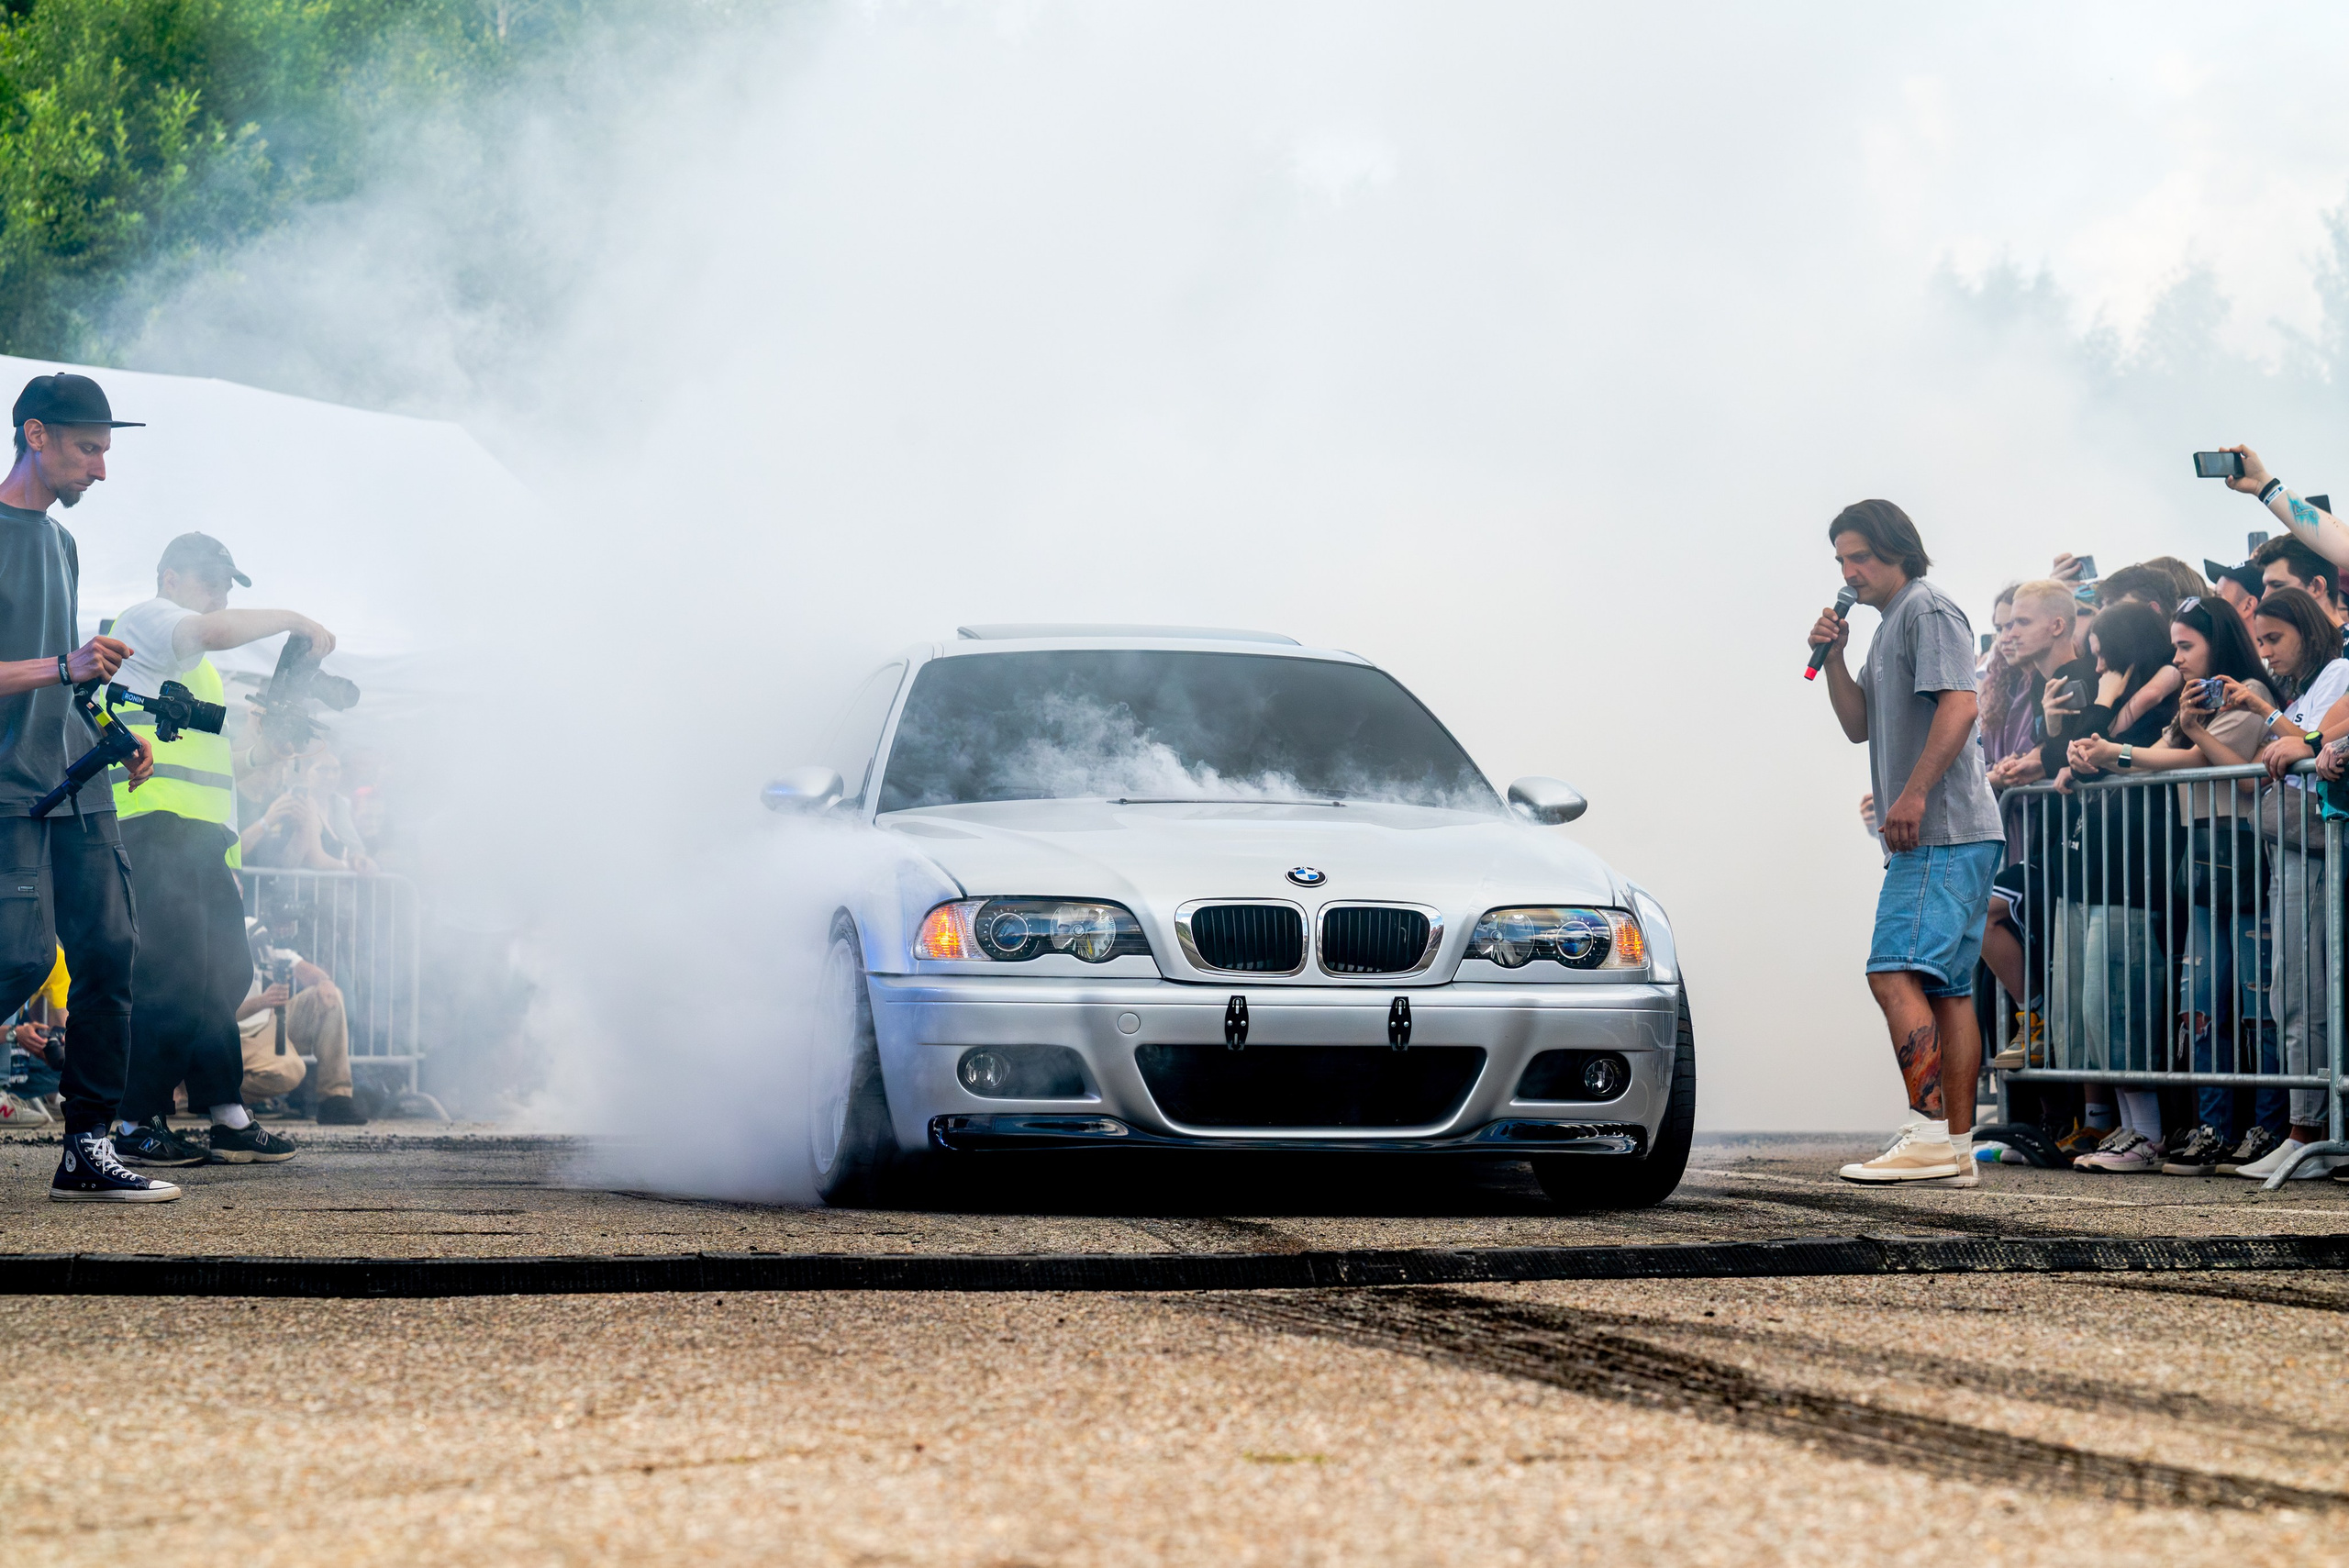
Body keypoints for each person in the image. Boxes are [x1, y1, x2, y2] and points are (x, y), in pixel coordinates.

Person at [106, 533, 335, 1163]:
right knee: (175, 977)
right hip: (153, 825)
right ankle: (132, 1122)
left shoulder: (198, 671)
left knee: (226, 972)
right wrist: (293, 619)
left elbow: (222, 758)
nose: (222, 595)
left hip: (200, 841)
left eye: (228, 585)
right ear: (171, 578)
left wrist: (267, 752)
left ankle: (227, 1111)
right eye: (212, 581)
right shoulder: (148, 621)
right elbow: (212, 629)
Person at [0, 373, 171, 1202]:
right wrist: (62, 666)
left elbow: (62, 674)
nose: (101, 470)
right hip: (8, 788)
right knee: (19, 957)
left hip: (75, 779)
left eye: (106, 451)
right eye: (87, 449)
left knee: (111, 954)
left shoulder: (61, 544)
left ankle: (88, 1146)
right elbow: (47, 663)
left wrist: (108, 728)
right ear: (36, 435)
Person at [1808, 500, 2004, 1186]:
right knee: (1948, 990)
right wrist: (1832, 657)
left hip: (1943, 832)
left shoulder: (1927, 609)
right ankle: (1952, 1146)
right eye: (1840, 559)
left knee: (1891, 971)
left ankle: (1925, 1133)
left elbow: (1960, 703)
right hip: (1951, 835)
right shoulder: (1890, 623)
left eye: (1859, 555)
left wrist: (1914, 793)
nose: (1848, 571)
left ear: (1897, 550)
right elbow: (1858, 725)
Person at [2063, 598, 2277, 1173]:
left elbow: (2204, 763)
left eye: (2186, 647)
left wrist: (2166, 737)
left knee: (2254, 1002)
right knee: (2201, 1006)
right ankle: (2211, 1128)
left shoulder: (2245, 689)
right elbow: (2164, 754)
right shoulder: (2193, 700)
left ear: (2218, 643)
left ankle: (2268, 1126)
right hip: (2202, 866)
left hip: (2243, 858)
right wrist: (2090, 758)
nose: (2177, 658)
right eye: (2174, 646)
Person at [2214, 588, 2349, 1180]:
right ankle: (2305, 1128)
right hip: (2291, 847)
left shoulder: (2340, 668)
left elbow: (2310, 740)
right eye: (2260, 640)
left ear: (2308, 629)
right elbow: (2289, 740)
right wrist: (2274, 720)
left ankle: (2308, 1131)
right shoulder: (2311, 683)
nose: (2264, 652)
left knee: (2305, 991)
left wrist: (2294, 737)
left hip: (2315, 848)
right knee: (2286, 989)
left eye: (2274, 639)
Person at [2045, 603, 2178, 1171]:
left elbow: (2092, 754)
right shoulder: (2121, 702)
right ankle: (2124, 1128)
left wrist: (2103, 702)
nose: (2096, 664)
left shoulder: (2158, 706)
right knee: (2092, 1008)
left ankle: (2146, 1133)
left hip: (2137, 872)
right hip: (2099, 870)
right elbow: (2073, 755)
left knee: (2116, 1001)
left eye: (2103, 654)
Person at [234, 922, 363, 1124]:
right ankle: (214, 1098)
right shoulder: (208, 941)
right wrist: (262, 1002)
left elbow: (302, 968)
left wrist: (324, 981)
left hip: (265, 1022)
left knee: (329, 997)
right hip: (231, 1034)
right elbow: (214, 1015)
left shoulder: (258, 937)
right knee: (290, 1071)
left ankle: (336, 1099)